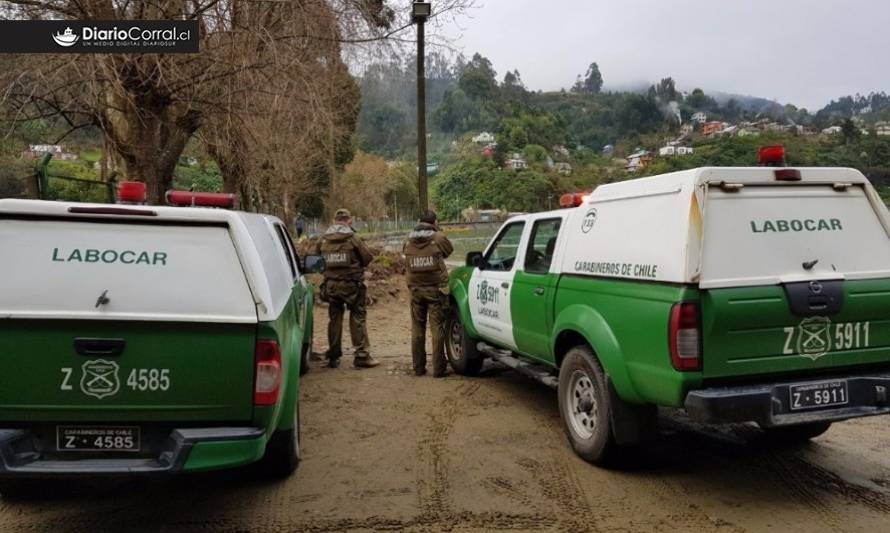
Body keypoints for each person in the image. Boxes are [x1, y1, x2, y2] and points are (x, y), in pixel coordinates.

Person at [315, 209, 378, 369]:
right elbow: (367, 258)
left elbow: (316, 261)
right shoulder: (353, 238)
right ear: (349, 220)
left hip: (331, 286)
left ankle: (333, 357)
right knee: (357, 317)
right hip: (352, 286)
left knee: (334, 319)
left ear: (334, 220)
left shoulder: (323, 239)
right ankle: (362, 356)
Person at [403, 210, 454, 377]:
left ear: (419, 221)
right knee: (437, 328)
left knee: (417, 328)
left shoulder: (408, 239)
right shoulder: (438, 237)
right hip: (435, 290)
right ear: (434, 222)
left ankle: (418, 368)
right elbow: (448, 251)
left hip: (415, 290)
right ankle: (439, 369)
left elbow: (406, 254)